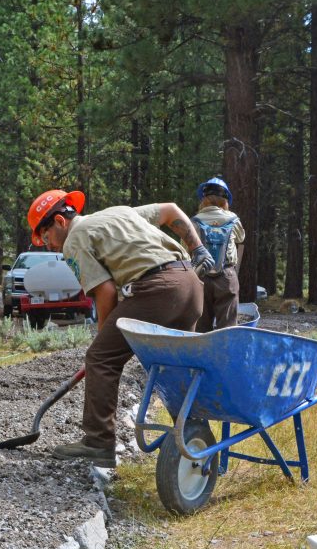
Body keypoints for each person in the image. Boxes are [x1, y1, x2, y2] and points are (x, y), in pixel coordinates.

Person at [27, 189, 214, 467]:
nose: (47, 245)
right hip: (190, 286)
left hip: (158, 289)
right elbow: (171, 209)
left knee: (100, 358)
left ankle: (99, 443)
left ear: (59, 222)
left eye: (44, 236)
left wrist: (103, 341)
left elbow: (105, 292)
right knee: (172, 366)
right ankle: (196, 439)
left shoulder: (74, 240)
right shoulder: (119, 212)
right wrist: (197, 248)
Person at [192, 177, 246, 332]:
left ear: (203, 199)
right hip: (226, 275)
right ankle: (226, 354)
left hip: (200, 276)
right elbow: (241, 238)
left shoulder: (195, 220)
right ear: (226, 200)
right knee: (228, 325)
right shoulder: (233, 219)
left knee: (201, 324)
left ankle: (203, 354)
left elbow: (186, 248)